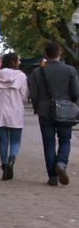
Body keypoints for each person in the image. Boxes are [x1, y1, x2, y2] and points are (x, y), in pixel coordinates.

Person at [28, 42, 79, 186]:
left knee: (48, 144)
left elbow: (34, 94)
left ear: (46, 54)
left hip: (45, 112)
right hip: (65, 111)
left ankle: (52, 176)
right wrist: (70, 103)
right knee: (65, 140)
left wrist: (37, 108)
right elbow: (75, 92)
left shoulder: (38, 72)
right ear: (60, 53)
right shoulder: (70, 70)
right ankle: (61, 163)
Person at [0, 52, 29, 180]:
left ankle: (4, 167)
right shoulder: (21, 76)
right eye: (18, 60)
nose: (19, 62)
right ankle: (12, 159)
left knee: (3, 142)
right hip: (15, 112)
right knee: (15, 140)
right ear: (13, 62)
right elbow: (25, 97)